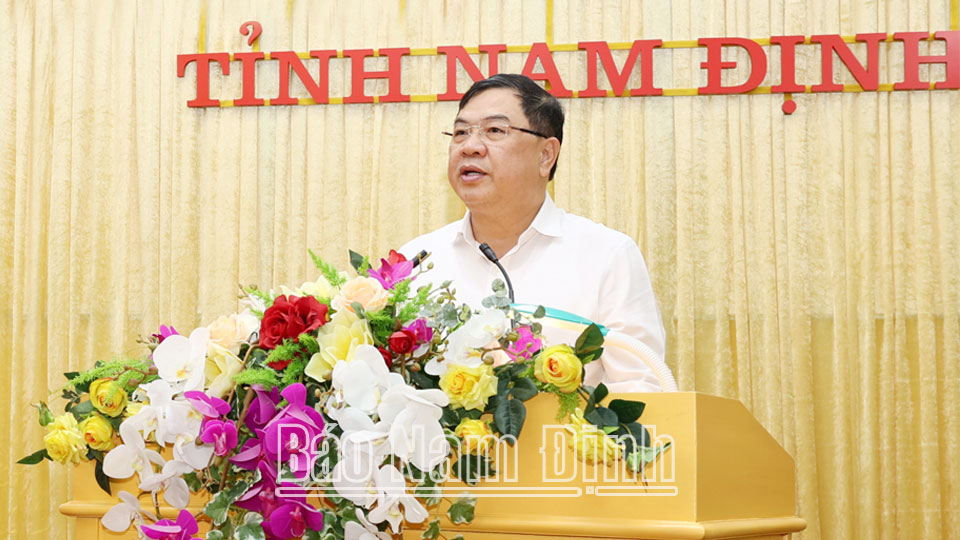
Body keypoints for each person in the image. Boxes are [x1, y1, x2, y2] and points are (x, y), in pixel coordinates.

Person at [400, 74, 666, 392]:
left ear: (545, 155)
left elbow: (642, 388)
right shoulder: (416, 260)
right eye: (460, 132)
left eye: (494, 130)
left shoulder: (606, 255)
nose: (469, 147)